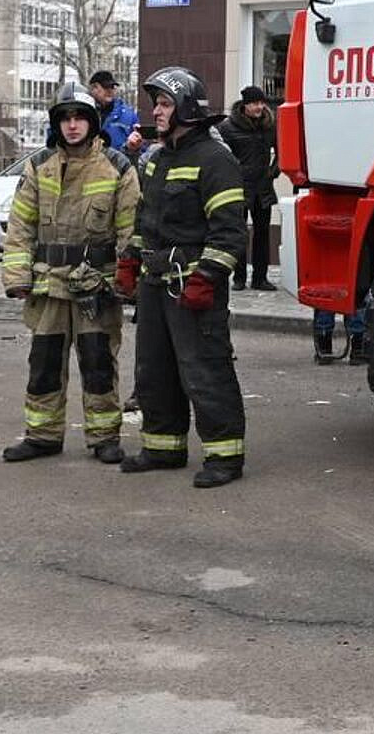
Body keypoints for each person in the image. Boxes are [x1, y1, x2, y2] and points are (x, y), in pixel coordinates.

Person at [116, 66, 251, 488]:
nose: (156, 111)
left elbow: (230, 230)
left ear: (187, 109)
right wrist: (130, 259)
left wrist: (206, 277)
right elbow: (146, 220)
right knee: (154, 370)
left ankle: (225, 456)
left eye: (164, 103)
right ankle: (163, 446)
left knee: (205, 369)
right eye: (156, 103)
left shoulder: (215, 160)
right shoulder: (158, 160)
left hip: (194, 287)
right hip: (156, 285)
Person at [0, 85, 141, 464]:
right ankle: (42, 435)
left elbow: (131, 229)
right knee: (43, 363)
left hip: (97, 284)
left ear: (93, 122)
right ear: (56, 123)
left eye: (79, 117)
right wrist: (16, 278)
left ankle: (104, 438)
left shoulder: (117, 167)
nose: (72, 125)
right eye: (65, 117)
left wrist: (128, 281)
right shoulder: (38, 165)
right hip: (48, 284)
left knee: (98, 363)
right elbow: (20, 228)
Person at [220, 85, 279, 291]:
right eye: (255, 103)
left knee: (262, 233)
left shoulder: (270, 125)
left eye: (262, 103)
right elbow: (221, 156)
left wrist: (274, 171)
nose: (259, 107)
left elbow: (282, 150)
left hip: (263, 188)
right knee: (239, 233)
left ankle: (260, 278)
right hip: (239, 187)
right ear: (245, 105)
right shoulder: (228, 127)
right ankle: (239, 277)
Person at [88, 70, 144, 158]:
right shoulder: (83, 114)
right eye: (106, 87)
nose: (110, 90)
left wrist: (133, 148)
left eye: (112, 87)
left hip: (118, 169)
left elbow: (141, 150)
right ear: (93, 88)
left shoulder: (129, 115)